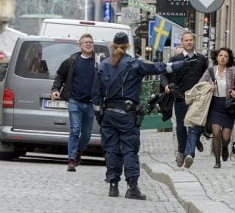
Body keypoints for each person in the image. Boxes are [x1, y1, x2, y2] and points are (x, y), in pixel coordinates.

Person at [92, 32, 195, 200]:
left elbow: (95, 94)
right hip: (127, 114)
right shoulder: (135, 64)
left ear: (113, 45)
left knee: (111, 149)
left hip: (109, 114)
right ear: (127, 46)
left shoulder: (102, 65)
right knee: (130, 150)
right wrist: (183, 64)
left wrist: (99, 116)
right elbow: (161, 67)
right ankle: (132, 188)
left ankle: (113, 185)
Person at [161, 32, 208, 169]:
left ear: (194, 42)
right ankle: (182, 151)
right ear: (182, 42)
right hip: (180, 97)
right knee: (181, 128)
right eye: (186, 40)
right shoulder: (176, 59)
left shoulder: (201, 59)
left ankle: (189, 154)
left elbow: (208, 75)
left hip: (197, 98)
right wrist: (166, 86)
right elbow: (164, 74)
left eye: (191, 40)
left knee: (194, 126)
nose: (188, 42)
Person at [50, 33, 97, 172]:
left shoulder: (98, 61)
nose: (88, 44)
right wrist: (55, 89)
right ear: (80, 45)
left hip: (90, 103)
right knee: (75, 130)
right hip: (74, 102)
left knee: (87, 134)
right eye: (85, 42)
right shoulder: (72, 60)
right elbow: (60, 75)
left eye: (90, 42)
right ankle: (71, 160)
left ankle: (79, 151)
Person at [199, 47, 235, 168]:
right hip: (214, 105)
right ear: (217, 57)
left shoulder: (232, 71)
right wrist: (209, 87)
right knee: (216, 132)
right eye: (220, 55)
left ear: (228, 59)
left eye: (225, 56)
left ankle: (225, 147)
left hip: (228, 105)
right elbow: (200, 84)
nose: (223, 58)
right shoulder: (210, 71)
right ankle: (217, 161)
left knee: (225, 137)